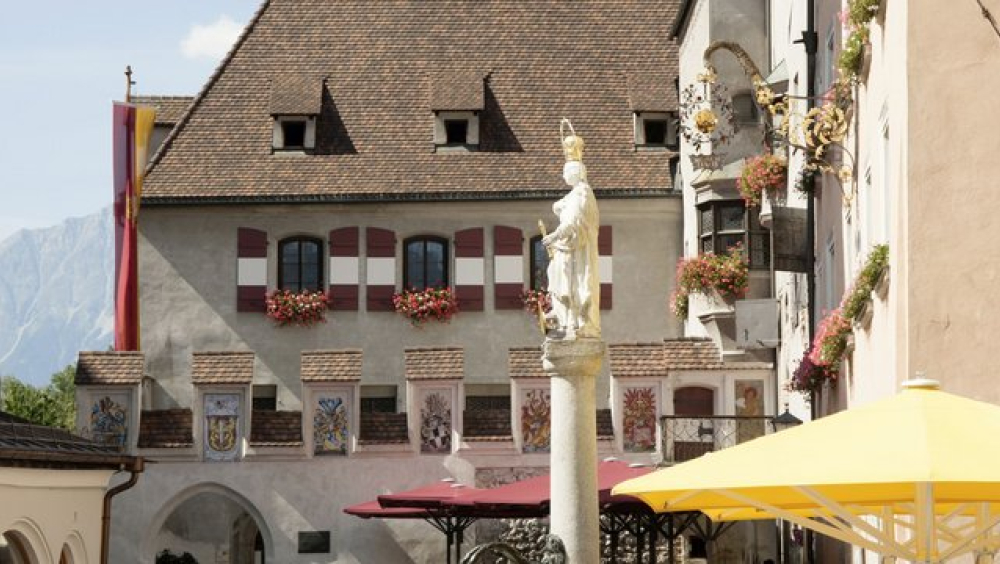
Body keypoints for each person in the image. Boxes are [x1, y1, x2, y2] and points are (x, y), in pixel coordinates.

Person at [541, 121, 601, 340]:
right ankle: (564, 319)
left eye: (566, 171)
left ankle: (572, 321)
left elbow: (573, 223)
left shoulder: (581, 193)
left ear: (575, 172)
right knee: (561, 281)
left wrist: (553, 236)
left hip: (576, 252)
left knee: (572, 284)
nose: (563, 175)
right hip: (568, 250)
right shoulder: (575, 194)